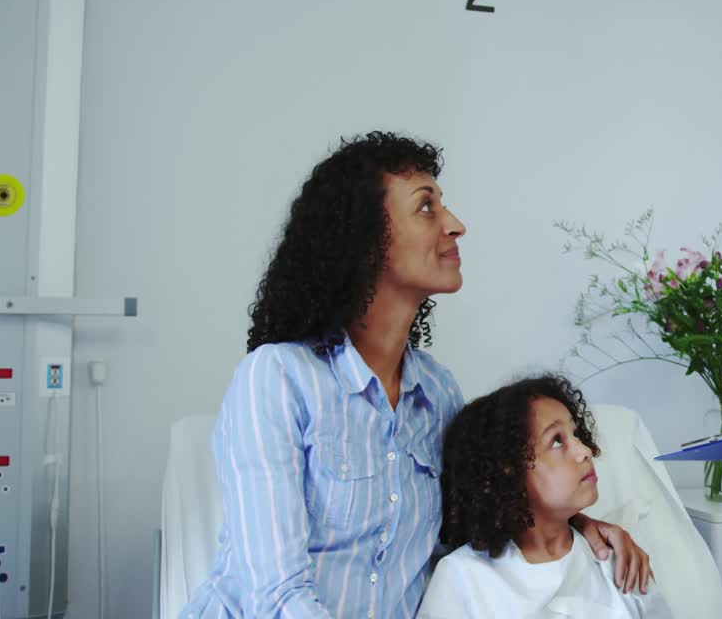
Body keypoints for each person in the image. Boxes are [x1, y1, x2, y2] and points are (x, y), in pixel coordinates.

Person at [182, 132, 649, 618]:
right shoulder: (277, 380)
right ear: (365, 242)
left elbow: (474, 528)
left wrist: (575, 530)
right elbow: (276, 596)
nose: (456, 225)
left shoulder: (439, 393)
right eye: (426, 207)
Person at [419, 374, 669, 619]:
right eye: (557, 441)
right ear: (508, 469)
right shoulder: (462, 579)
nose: (584, 451)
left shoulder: (619, 563)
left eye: (576, 434)